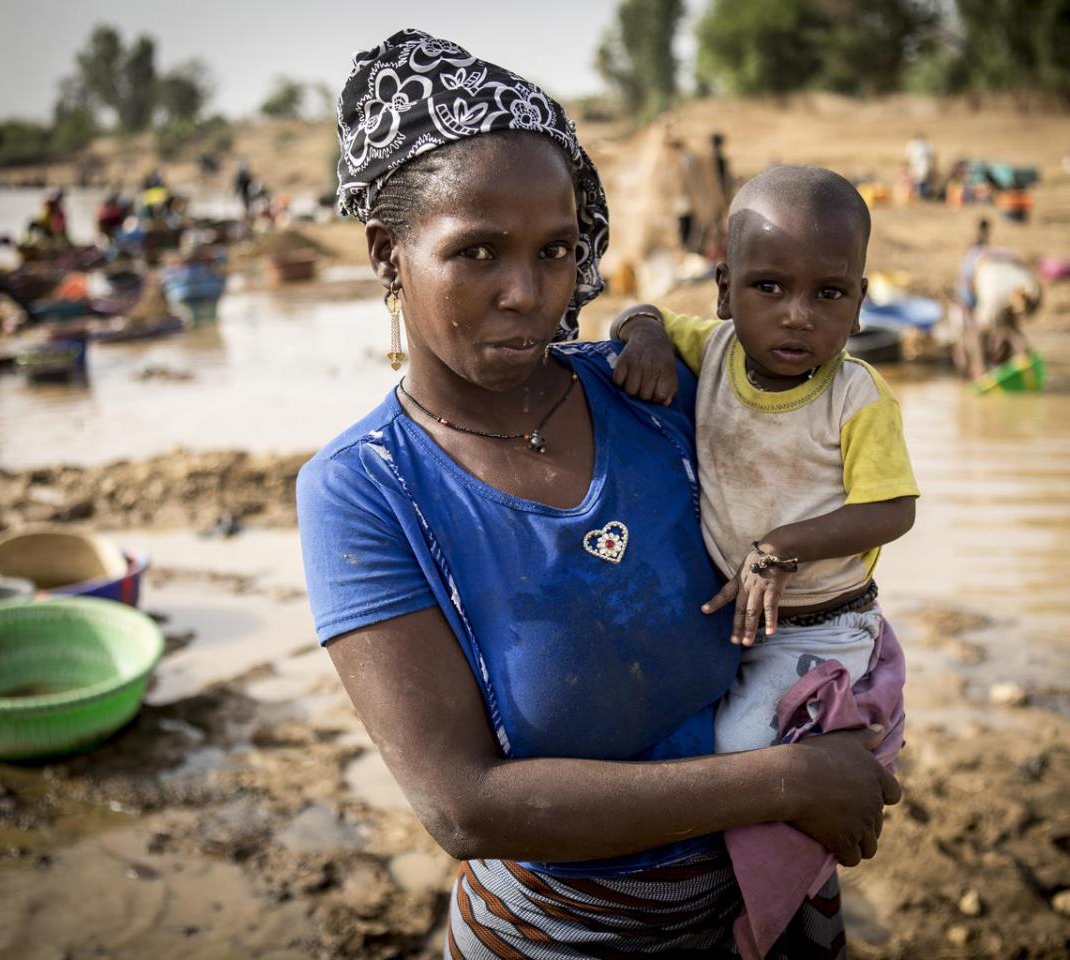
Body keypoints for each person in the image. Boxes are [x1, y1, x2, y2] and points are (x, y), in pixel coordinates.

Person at [297, 29, 899, 960]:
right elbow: (465, 805)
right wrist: (786, 784)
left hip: (765, 899)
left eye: (556, 251)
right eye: (479, 252)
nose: (528, 293)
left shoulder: (649, 393)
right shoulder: (367, 490)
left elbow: (814, 406)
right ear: (388, 255)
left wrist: (647, 323)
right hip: (560, 934)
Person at [607, 167, 917, 955]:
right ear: (722, 291)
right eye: (769, 287)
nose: (796, 317)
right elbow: (636, 311)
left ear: (860, 297)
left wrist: (782, 549)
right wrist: (641, 332)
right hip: (744, 617)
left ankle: (767, 913)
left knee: (742, 755)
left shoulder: (856, 395)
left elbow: (893, 508)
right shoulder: (708, 352)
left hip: (821, 621)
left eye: (829, 295)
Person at [951, 218, 1041, 377]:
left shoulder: (972, 266)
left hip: (998, 287)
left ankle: (981, 373)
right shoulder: (995, 253)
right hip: (1028, 284)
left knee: (979, 333)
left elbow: (969, 310)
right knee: (1009, 328)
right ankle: (1025, 363)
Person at [904, 132, 935, 199]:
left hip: (923, 166)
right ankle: (918, 195)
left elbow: (932, 155)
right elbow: (907, 156)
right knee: (916, 181)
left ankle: (922, 195)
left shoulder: (926, 144)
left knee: (922, 181)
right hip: (915, 166)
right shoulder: (913, 144)